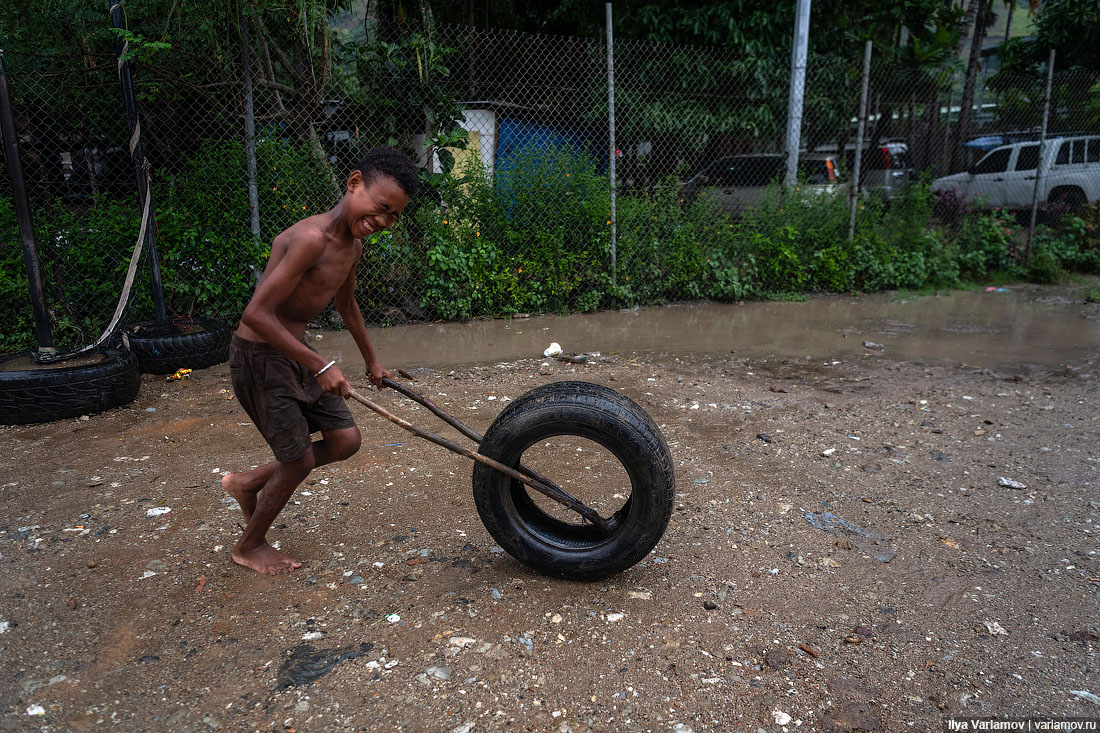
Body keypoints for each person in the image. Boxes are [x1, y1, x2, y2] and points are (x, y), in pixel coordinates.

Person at [221, 145, 418, 576]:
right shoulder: (311, 239)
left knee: (346, 440)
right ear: (353, 183)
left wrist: (372, 360)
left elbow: (346, 306)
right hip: (261, 357)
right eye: (381, 207)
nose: (383, 221)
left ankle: (248, 482)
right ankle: (249, 545)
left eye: (394, 216)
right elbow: (256, 313)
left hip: (298, 356)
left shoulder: (352, 247)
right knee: (299, 461)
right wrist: (321, 365)